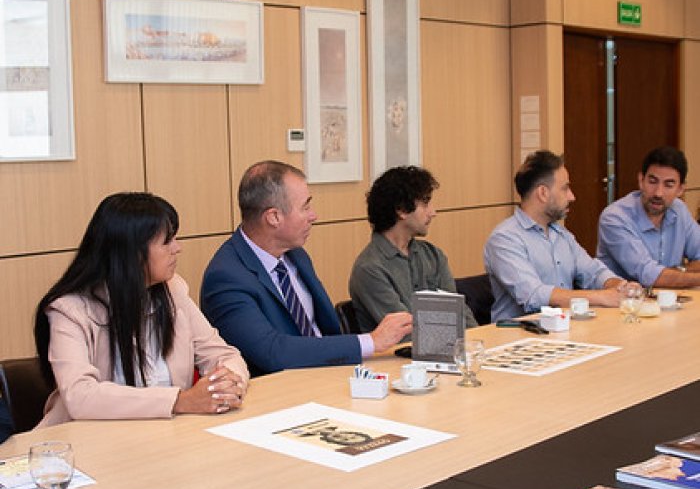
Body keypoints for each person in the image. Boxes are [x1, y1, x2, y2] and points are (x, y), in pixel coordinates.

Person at [35, 193, 249, 427]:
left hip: (165, 435)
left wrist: (224, 385)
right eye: (167, 241)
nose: (177, 248)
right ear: (131, 252)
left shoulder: (173, 290)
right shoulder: (70, 310)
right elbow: (81, 396)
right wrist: (180, 401)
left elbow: (224, 355)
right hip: (90, 443)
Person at [200, 161, 412, 376]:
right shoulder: (226, 277)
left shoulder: (295, 254)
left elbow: (324, 332)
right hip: (282, 392)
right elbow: (272, 352)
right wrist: (371, 341)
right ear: (273, 217)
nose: (313, 216)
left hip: (329, 376)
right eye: (305, 207)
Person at [484, 150, 628, 321]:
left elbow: (593, 272)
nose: (572, 196)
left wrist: (617, 285)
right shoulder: (504, 239)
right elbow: (534, 296)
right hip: (521, 337)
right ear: (543, 193)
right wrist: (603, 297)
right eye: (565, 188)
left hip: (564, 329)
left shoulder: (561, 234)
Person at [349, 165, 476, 336]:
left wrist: (478, 344)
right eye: (425, 204)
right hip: (399, 359)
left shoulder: (433, 255)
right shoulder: (370, 268)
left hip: (448, 353)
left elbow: (460, 315)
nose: (433, 212)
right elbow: (406, 333)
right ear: (401, 210)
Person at [597, 146, 700, 288]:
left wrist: (678, 272)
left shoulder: (679, 210)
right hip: (624, 305)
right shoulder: (614, 218)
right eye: (652, 182)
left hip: (670, 302)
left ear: (680, 189)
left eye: (668, 185)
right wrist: (685, 274)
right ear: (641, 180)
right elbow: (647, 275)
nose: (658, 193)